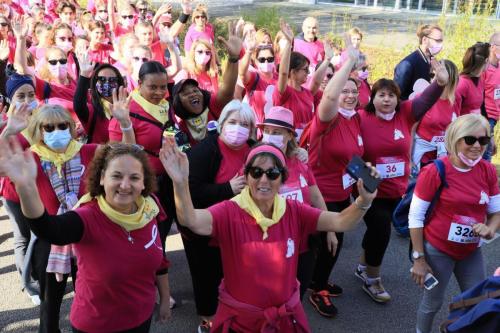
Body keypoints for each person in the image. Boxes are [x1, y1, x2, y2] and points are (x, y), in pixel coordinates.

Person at [160, 138, 379, 333]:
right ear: (246, 176)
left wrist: (364, 201)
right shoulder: (229, 210)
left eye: (272, 173)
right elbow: (190, 220)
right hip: (241, 323)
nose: (263, 180)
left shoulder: (294, 210)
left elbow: (341, 221)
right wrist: (180, 183)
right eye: (256, 172)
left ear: (282, 179)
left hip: (284, 320)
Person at [0, 140, 172, 332]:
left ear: (143, 183)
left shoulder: (149, 208)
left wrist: (165, 298)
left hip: (141, 318)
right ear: (101, 178)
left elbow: (160, 259)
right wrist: (26, 186)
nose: (125, 185)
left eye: (134, 177)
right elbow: (47, 229)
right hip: (97, 326)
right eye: (116, 176)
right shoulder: (87, 216)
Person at [356, 59, 449, 303]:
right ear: (372, 98)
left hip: (396, 189)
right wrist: (365, 174)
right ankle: (372, 279)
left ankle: (363, 266)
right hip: (370, 188)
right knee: (381, 228)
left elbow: (424, 100)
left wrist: (439, 83)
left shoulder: (405, 114)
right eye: (381, 95)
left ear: (398, 99)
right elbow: (350, 154)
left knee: (378, 229)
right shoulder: (360, 118)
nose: (386, 100)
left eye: (391, 96)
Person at [2, 104, 98, 332]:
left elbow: (127, 151)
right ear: (39, 130)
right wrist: (8, 132)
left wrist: (124, 123)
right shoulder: (31, 158)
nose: (57, 131)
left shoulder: (89, 151)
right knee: (50, 304)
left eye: (62, 125)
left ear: (71, 127)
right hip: (48, 237)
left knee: (91, 298)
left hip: (85, 235)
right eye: (49, 127)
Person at [409, 113, 500, 333]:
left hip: (470, 250)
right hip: (439, 249)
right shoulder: (435, 171)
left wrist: (490, 229)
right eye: (470, 139)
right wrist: (419, 258)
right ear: (456, 138)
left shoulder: (487, 170)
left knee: (478, 303)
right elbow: (416, 217)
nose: (477, 146)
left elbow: (496, 212)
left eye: (483, 140)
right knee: (432, 302)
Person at [185, 100, 255, 333]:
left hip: (242, 228)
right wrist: (227, 188)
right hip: (207, 229)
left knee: (235, 277)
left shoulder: (254, 148)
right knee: (208, 278)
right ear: (221, 123)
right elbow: (191, 193)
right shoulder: (204, 152)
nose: (238, 129)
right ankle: (207, 322)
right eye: (233, 122)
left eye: (244, 124)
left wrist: (299, 151)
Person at [306, 41, 364, 317]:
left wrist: (369, 185)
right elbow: (328, 97)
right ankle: (316, 290)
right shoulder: (326, 119)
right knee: (326, 244)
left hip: (342, 194)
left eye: (354, 91)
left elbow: (351, 157)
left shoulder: (354, 119)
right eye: (345, 91)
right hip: (320, 195)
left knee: (333, 245)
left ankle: (317, 281)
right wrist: (348, 64)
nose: (349, 96)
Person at [258, 106, 328, 301]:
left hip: (303, 243)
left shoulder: (300, 161)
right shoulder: (255, 163)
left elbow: (315, 196)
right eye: (267, 131)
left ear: (289, 135)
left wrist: (330, 229)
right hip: (271, 245)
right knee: (272, 296)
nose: (270, 136)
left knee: (299, 291)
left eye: (277, 132)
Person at [274, 20, 331, 140]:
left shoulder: (307, 93)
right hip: (287, 142)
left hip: (305, 143)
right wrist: (289, 43)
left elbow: (316, 81)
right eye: (305, 69)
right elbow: (283, 73)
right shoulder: (284, 92)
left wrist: (327, 59)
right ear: (293, 72)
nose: (308, 73)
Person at [413, 60, 460, 169]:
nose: (433, 78)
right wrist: (408, 158)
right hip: (422, 155)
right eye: (432, 74)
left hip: (443, 155)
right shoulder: (422, 98)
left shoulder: (455, 100)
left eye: (438, 74)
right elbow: (410, 129)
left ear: (449, 78)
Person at [74, 53, 127, 143]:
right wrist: (84, 75)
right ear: (95, 82)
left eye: (112, 80)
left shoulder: (126, 106)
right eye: (101, 79)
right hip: (98, 156)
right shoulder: (91, 110)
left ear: (119, 83)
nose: (107, 83)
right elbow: (78, 105)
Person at [394, 24, 443, 100]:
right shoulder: (407, 64)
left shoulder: (433, 61)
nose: (440, 45)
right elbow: (396, 95)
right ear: (424, 40)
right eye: (437, 41)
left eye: (441, 41)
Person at [239, 36, 278, 123]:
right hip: (256, 129)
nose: (266, 62)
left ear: (274, 60)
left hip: (275, 127)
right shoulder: (254, 77)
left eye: (270, 59)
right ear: (256, 61)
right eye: (262, 59)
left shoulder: (280, 78)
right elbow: (242, 73)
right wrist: (249, 52)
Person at [456, 42, 490, 116]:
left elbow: (480, 107)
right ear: (486, 60)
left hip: (476, 125)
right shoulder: (462, 84)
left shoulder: (480, 79)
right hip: (463, 126)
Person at [482, 32, 500, 161]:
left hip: (494, 118)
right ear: (493, 47)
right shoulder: (484, 69)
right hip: (484, 117)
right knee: (485, 155)